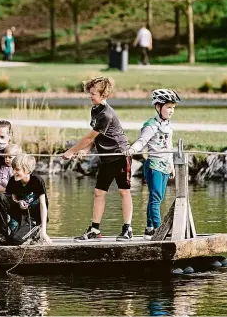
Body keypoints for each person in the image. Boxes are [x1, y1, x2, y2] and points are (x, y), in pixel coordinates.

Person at [62, 76, 133, 242]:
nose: (90, 96)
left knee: (124, 191)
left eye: (93, 93)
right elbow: (96, 138)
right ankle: (95, 229)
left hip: (120, 155)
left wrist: (71, 151)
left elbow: (88, 137)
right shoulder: (95, 109)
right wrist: (86, 150)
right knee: (99, 192)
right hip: (106, 157)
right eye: (90, 93)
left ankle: (127, 229)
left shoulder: (106, 114)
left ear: (104, 95)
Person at [125, 89, 181, 240]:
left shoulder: (168, 126)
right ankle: (158, 230)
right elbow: (142, 141)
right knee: (155, 199)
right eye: (168, 107)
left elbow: (168, 147)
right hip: (154, 166)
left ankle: (149, 229)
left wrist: (171, 165)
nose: (171, 111)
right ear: (158, 107)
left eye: (173, 107)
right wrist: (132, 149)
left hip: (164, 166)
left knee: (157, 199)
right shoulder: (151, 125)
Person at [1, 154, 52, 245]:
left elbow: (43, 206)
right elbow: (12, 199)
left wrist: (44, 231)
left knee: (16, 240)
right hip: (20, 216)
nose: (13, 172)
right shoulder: (13, 180)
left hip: (33, 219)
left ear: (27, 170)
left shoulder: (37, 181)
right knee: (9, 240)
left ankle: (38, 231)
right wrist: (19, 202)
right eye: (13, 169)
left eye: (17, 169)